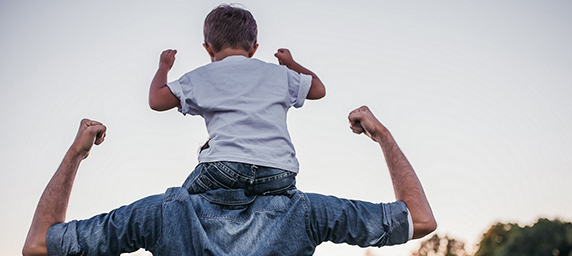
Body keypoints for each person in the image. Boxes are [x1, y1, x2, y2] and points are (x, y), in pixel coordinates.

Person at [22, 106, 437, 256]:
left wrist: (76, 154)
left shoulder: (160, 214)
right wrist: (382, 136)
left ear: (206, 159)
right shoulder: (306, 212)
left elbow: (40, 244)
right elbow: (419, 220)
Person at [148, 4, 326, 196]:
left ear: (208, 49)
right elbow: (318, 89)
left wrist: (164, 67)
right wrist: (291, 64)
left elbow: (156, 100)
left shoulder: (201, 76)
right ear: (254, 48)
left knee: (179, 203)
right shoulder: (279, 74)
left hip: (225, 168)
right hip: (280, 172)